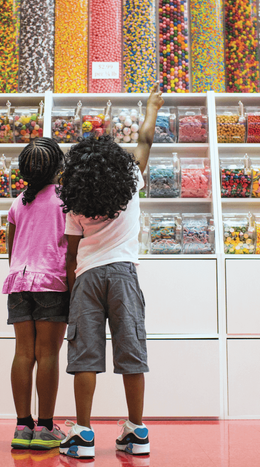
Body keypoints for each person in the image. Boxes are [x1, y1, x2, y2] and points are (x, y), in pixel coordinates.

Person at [56, 85, 165, 459]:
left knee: (85, 356)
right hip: (123, 275)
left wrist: (72, 291)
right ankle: (136, 430)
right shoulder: (131, 179)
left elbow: (71, 254)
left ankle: (83, 434)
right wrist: (151, 107)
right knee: (131, 351)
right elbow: (145, 139)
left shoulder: (75, 202)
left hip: (87, 277)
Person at [3, 137, 69, 450]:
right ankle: (45, 427)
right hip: (51, 283)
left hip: (18, 282)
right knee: (48, 354)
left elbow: (11, 250)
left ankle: (22, 426)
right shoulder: (64, 200)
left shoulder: (19, 202)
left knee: (23, 353)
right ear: (58, 167)